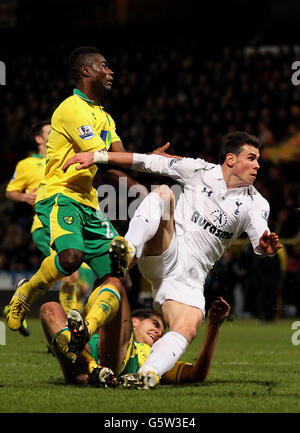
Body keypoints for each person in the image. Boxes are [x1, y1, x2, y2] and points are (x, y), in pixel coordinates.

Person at [61, 130, 282, 388]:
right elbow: (146, 161)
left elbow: (260, 235)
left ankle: (147, 374)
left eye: (259, 160)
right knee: (164, 193)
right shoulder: (199, 170)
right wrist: (97, 156)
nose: (258, 165)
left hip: (189, 278)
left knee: (189, 325)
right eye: (252, 158)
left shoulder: (256, 203)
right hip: (166, 250)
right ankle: (128, 249)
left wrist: (265, 246)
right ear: (231, 159)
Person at [6, 46, 172, 358]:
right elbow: (107, 165)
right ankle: (27, 293)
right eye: (104, 66)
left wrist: (148, 167)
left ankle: (83, 330)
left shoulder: (105, 117)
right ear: (86, 71)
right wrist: (147, 182)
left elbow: (118, 159)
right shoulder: (71, 109)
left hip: (88, 202)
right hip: (60, 195)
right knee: (71, 258)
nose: (111, 72)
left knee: (119, 276)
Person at [3, 120, 93, 327]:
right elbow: (10, 192)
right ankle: (69, 329)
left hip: (71, 224)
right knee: (71, 275)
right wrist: (26, 198)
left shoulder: (64, 156)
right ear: (38, 139)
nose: (54, 133)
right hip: (44, 226)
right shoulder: (26, 164)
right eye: (49, 131)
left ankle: (72, 324)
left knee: (84, 285)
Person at [40, 291, 230, 387]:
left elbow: (196, 374)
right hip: (81, 361)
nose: (158, 334)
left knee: (117, 290)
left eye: (161, 333)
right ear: (134, 321)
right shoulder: (113, 332)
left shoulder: (156, 357)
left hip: (113, 364)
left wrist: (213, 326)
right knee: (48, 308)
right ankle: (90, 366)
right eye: (155, 325)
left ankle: (90, 363)